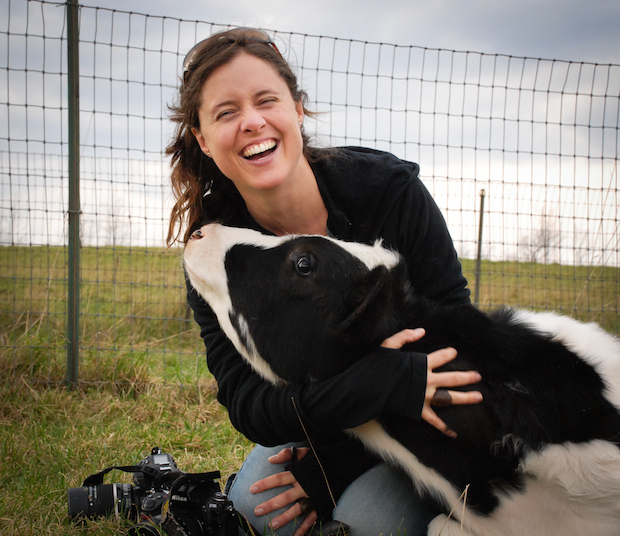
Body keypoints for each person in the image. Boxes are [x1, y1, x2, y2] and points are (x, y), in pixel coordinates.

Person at [166, 27, 483, 536]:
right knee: (253, 506)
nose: (252, 122)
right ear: (203, 139)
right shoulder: (218, 254)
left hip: (420, 427)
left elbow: (452, 341)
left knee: (364, 524)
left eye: (266, 100)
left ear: (296, 108)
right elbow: (248, 403)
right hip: (319, 430)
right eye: (226, 113)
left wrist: (336, 474)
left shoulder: (388, 192)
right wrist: (373, 385)